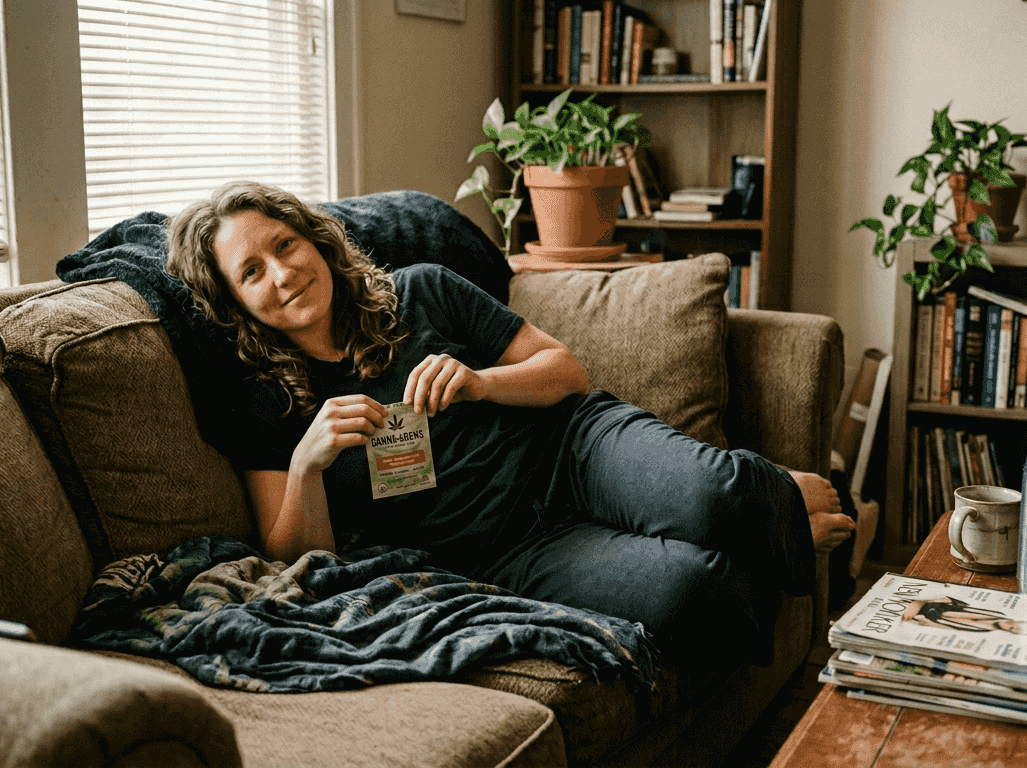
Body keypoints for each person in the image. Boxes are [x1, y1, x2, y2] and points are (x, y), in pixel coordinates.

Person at [165, 180, 857, 659]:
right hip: (504, 551)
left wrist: (481, 383)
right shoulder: (265, 403)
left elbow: (566, 371)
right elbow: (294, 557)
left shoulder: (422, 290)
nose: (281, 273)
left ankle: (752, 495)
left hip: (573, 450)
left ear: (315, 241)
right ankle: (769, 514)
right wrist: (307, 467)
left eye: (285, 245)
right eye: (251, 271)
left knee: (713, 495)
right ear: (235, 302)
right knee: (691, 587)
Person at [902, 595, 1027, 639]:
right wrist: (916, 606)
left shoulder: (979, 632)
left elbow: (919, 626)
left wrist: (912, 619)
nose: (1024, 629)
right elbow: (921, 598)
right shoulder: (995, 609)